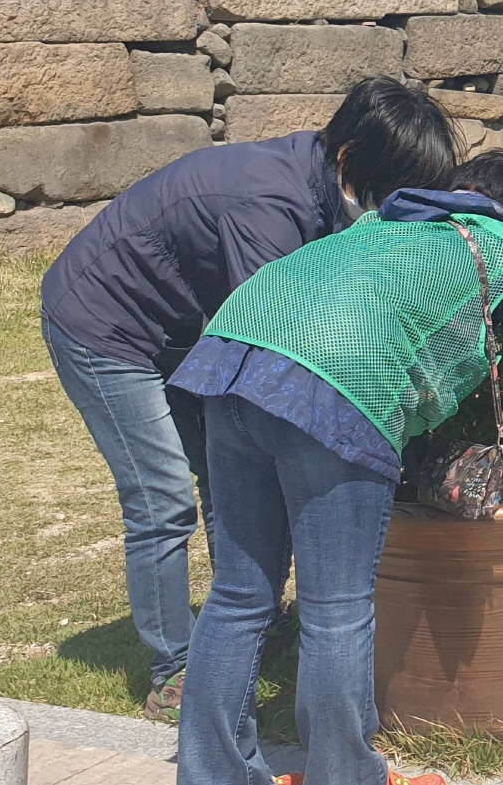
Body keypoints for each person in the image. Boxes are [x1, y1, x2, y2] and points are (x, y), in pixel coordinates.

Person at [162, 150, 503, 785]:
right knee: (336, 607)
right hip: (331, 389)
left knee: (237, 594)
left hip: (229, 363)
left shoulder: (382, 222)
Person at [39, 77, 458, 723]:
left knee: (222, 475)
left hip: (185, 327)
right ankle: (176, 669)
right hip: (105, 325)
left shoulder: (320, 185)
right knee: (162, 498)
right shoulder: (266, 204)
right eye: (386, 194)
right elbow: (277, 339)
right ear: (349, 160)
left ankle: (246, 624)